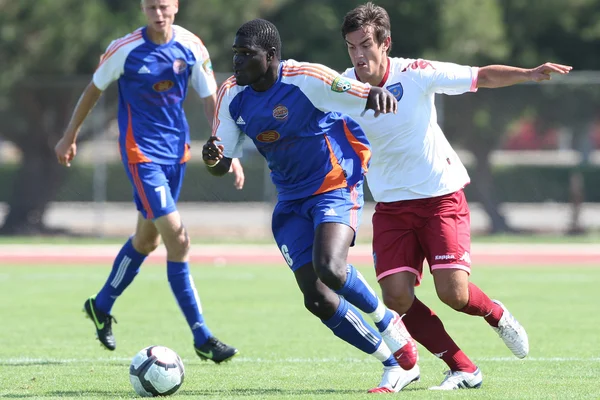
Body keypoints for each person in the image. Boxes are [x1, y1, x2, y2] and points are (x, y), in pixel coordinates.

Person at [340, 2, 572, 390]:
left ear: (386, 43)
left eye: (366, 45)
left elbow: (480, 76)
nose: (359, 56)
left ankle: (495, 314)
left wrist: (529, 74)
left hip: (440, 198)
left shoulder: (416, 73)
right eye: (351, 47)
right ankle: (464, 368)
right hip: (391, 208)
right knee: (396, 297)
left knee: (453, 293)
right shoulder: (343, 86)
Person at [202, 18, 419, 393]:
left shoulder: (306, 77)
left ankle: (387, 321)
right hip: (289, 198)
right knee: (317, 299)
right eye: (234, 54)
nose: (236, 62)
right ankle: (391, 363)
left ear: (270, 56)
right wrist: (211, 159)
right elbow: (222, 162)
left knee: (331, 268)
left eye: (245, 54)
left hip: (334, 182)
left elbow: (356, 91)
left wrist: (376, 95)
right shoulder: (232, 94)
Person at [54, 0, 243, 363]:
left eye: (164, 5)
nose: (159, 12)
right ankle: (202, 336)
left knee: (146, 239)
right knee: (179, 239)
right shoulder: (124, 50)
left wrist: (227, 148)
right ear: (143, 8)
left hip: (177, 155)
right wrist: (69, 135)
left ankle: (100, 305)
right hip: (141, 157)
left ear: (176, 6)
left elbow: (209, 100)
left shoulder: (191, 46)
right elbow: (93, 89)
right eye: (152, 6)